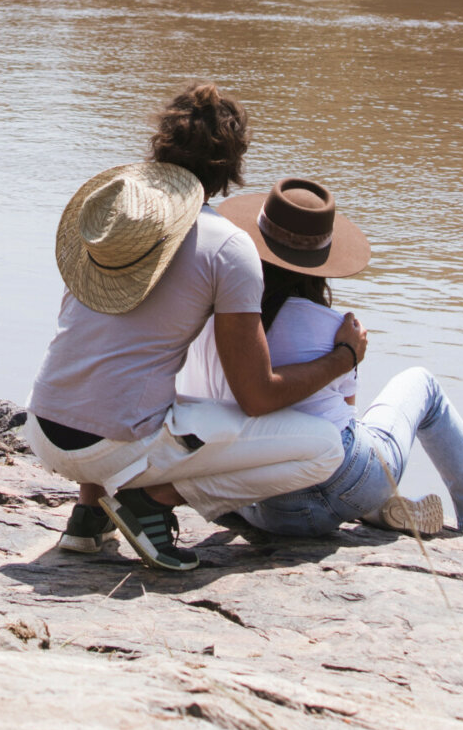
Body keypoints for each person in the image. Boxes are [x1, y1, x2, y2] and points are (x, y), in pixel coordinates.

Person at [26, 83, 368, 573]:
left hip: (44, 425)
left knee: (119, 365)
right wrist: (344, 358)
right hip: (112, 446)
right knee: (324, 448)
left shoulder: (118, 220)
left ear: (159, 147)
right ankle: (153, 503)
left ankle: (87, 516)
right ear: (231, 168)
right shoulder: (227, 246)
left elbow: (98, 345)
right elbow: (257, 395)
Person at [179, 177, 463, 553]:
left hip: (262, 506)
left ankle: (374, 508)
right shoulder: (335, 330)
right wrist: (346, 356)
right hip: (339, 482)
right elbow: (347, 418)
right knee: (421, 384)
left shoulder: (214, 320)